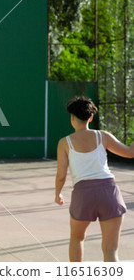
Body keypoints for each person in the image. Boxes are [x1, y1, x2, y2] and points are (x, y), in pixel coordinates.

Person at [55, 96, 133, 262]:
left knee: (77, 239)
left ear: (72, 118)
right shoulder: (102, 136)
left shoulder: (64, 143)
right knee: (110, 250)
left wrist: (58, 194)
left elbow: (61, 175)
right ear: (90, 118)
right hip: (109, 192)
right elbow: (130, 152)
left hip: (83, 195)